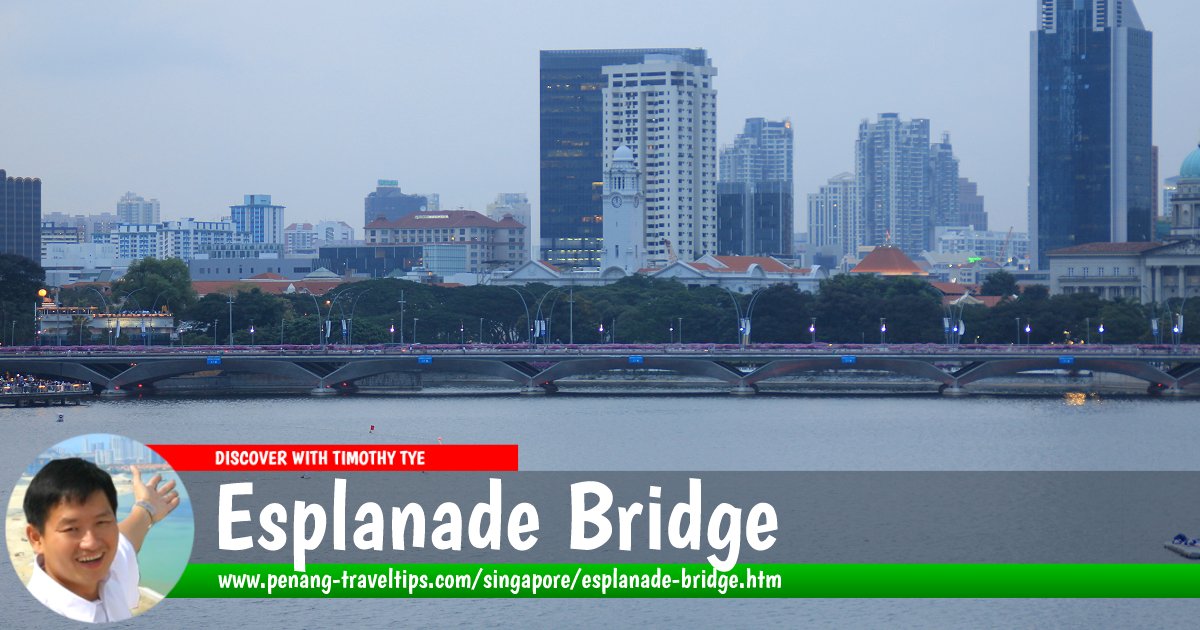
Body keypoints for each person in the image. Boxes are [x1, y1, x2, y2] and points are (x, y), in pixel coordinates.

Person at [23, 458, 180, 623]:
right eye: (71, 529)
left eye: (102, 522)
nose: (92, 543)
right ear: (36, 538)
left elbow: (126, 540)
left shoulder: (108, 572)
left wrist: (146, 507)